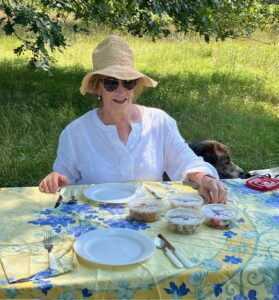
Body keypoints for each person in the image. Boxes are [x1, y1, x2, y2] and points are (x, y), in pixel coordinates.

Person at [39, 35, 227, 203]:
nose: (121, 91)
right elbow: (64, 179)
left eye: (128, 83)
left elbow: (186, 162)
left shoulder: (159, 122)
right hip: (94, 223)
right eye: (111, 83)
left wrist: (205, 178)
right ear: (97, 87)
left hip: (148, 216)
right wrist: (56, 179)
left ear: (136, 86)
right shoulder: (76, 133)